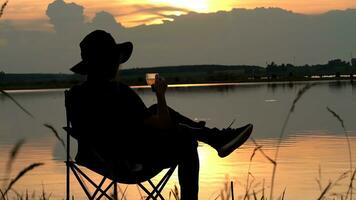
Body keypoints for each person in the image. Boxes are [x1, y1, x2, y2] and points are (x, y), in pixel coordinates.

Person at [68, 30, 253, 200]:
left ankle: (214, 137)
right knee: (185, 140)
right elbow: (164, 125)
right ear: (110, 63)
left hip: (97, 158)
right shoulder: (119, 92)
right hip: (131, 163)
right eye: (116, 60)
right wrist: (160, 93)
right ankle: (215, 138)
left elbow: (107, 129)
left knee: (157, 110)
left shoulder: (75, 95)